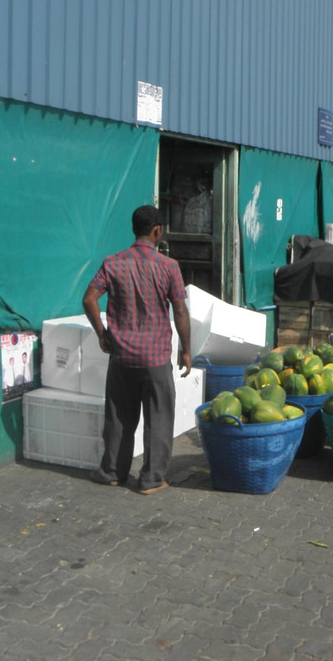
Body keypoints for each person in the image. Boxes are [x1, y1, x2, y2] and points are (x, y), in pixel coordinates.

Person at [83, 205, 192, 495]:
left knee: (119, 416)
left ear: (134, 229)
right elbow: (180, 310)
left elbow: (89, 299)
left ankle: (112, 472)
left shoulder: (112, 263)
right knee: (158, 418)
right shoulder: (169, 266)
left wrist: (102, 334)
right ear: (157, 231)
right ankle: (151, 479)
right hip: (155, 358)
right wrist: (186, 349)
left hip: (122, 357)